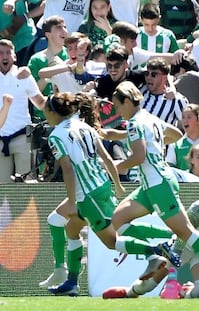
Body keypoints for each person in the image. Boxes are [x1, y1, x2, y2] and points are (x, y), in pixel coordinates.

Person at [44, 92, 178, 296]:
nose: (43, 113)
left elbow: (68, 168)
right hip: (100, 185)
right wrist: (116, 184)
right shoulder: (84, 126)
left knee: (111, 240)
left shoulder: (56, 136)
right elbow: (105, 157)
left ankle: (157, 250)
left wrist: (72, 202)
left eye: (45, 109)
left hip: (87, 194)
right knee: (69, 227)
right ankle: (69, 278)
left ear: (53, 112)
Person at [109, 80, 199, 299]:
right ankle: (155, 252)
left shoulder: (135, 124)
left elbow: (138, 157)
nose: (118, 111)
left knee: (186, 232)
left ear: (127, 101)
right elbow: (175, 134)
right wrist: (125, 137)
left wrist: (112, 167)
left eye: (118, 106)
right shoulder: (147, 118)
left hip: (158, 185)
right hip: (151, 185)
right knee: (117, 219)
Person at [0, 39, 46, 184]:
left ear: (14, 56)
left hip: (23, 136)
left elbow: (40, 103)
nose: (4, 56)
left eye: (8, 52)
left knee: (28, 184)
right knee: (2, 188)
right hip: (0, 139)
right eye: (0, 53)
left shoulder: (24, 76)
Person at [166, 103, 199, 170]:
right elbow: (170, 169)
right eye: (183, 117)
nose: (185, 121)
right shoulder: (175, 144)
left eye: (189, 117)